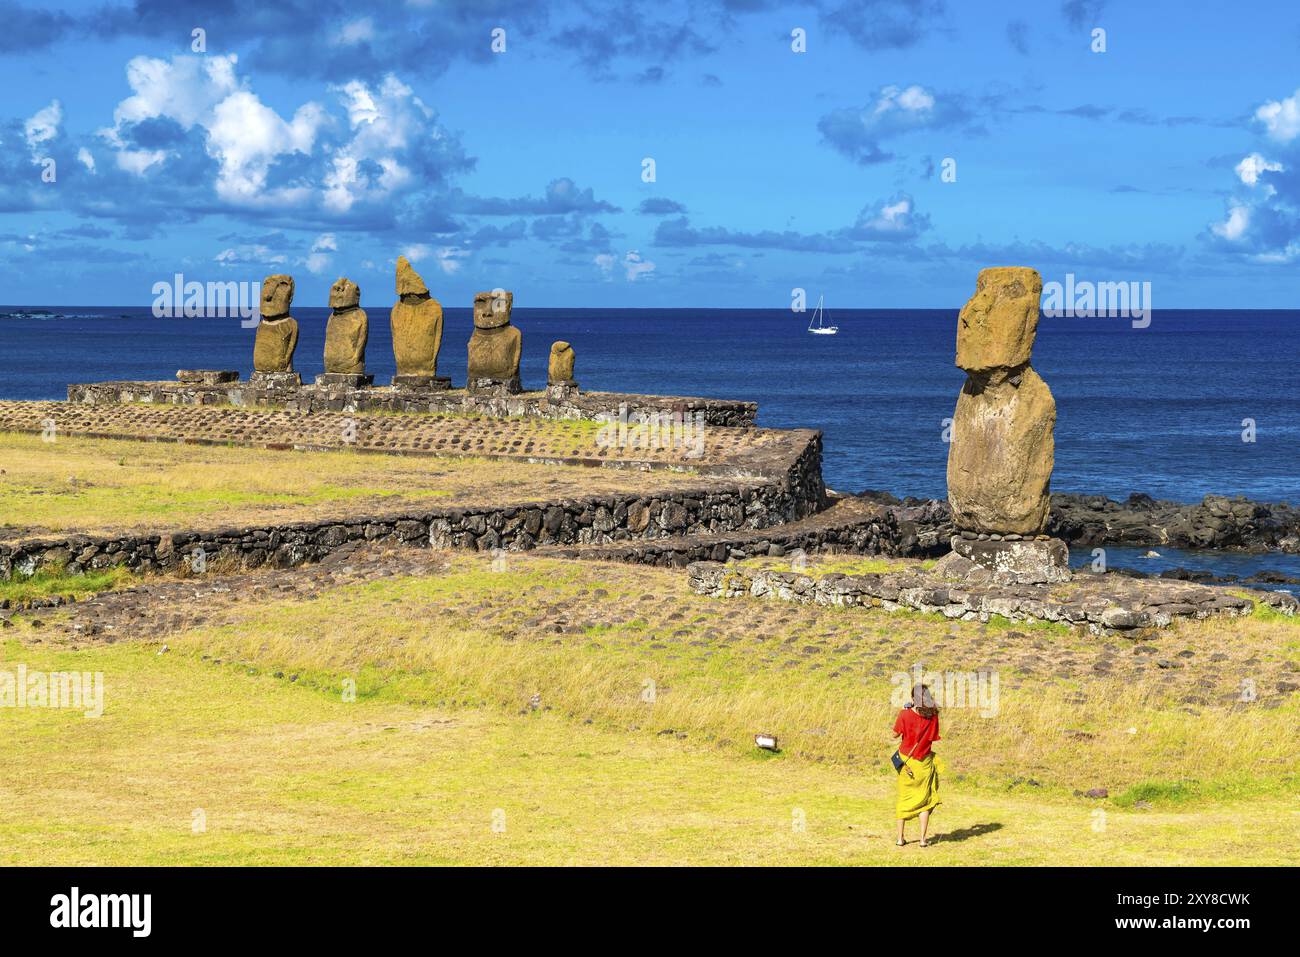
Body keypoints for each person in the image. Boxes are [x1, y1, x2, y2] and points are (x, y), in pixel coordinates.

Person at [893, 684, 941, 847]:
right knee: (924, 802)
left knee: (904, 798)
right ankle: (922, 839)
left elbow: (895, 735)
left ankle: (900, 838)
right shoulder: (933, 716)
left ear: (913, 699)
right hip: (925, 762)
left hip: (906, 761)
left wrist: (904, 711)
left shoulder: (904, 714)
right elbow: (933, 737)